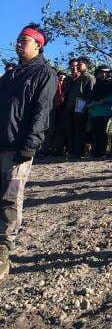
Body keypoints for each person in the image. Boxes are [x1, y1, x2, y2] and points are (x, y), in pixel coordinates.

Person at [0, 24, 56, 279]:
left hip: (19, 144)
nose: (19, 43)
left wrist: (31, 144)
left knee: (11, 196)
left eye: (25, 40)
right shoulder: (10, 75)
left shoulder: (44, 73)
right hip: (1, 141)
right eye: (18, 39)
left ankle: (3, 249)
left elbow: (42, 112)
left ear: (38, 44)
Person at [65, 57, 95, 159]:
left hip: (81, 107)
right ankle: (72, 151)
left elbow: (90, 94)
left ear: (86, 65)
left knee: (80, 130)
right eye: (77, 65)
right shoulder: (77, 78)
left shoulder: (89, 78)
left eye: (80, 64)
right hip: (71, 107)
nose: (77, 66)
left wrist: (86, 106)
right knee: (72, 129)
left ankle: (79, 152)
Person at [88, 67, 112, 158]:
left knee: (101, 132)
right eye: (101, 73)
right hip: (94, 112)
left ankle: (102, 152)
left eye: (106, 73)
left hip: (104, 112)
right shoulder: (96, 85)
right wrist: (91, 105)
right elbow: (93, 97)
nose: (104, 74)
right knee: (95, 132)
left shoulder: (111, 84)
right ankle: (95, 152)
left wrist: (104, 100)